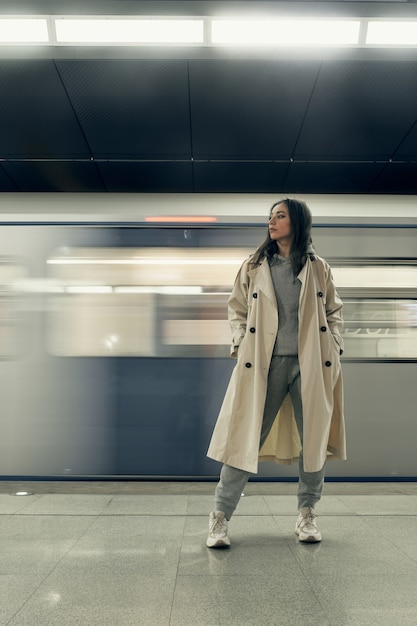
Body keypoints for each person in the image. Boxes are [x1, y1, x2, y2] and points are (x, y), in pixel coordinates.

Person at [206, 198, 346, 547]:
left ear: (296, 222)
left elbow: (334, 311)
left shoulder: (318, 268)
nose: (272, 222)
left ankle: (307, 515)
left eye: (280, 216)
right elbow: (236, 310)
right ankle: (219, 518)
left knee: (313, 442)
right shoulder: (254, 266)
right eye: (270, 217)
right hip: (264, 366)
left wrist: (334, 346)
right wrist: (240, 344)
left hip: (309, 365)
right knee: (243, 440)